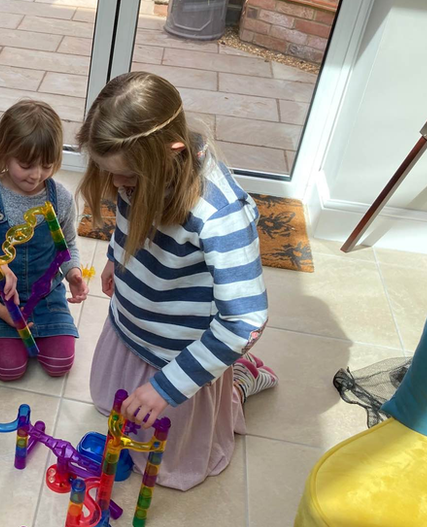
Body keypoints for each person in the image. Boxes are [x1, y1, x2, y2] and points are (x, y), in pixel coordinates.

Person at [78, 72, 278, 491]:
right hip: (135, 321)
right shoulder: (141, 171)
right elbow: (129, 214)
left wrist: (166, 388)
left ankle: (240, 379)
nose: (118, 185)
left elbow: (245, 321)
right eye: (109, 173)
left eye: (128, 178)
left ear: (172, 153)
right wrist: (118, 256)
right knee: (121, 409)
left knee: (170, 464)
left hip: (179, 347)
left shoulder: (221, 214)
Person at [0, 100, 86, 381]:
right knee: (9, 368)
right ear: (4, 153)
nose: (37, 175)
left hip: (47, 298)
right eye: (26, 165)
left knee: (60, 364)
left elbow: (69, 246)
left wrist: (73, 272)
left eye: (47, 165)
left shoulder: (60, 198)